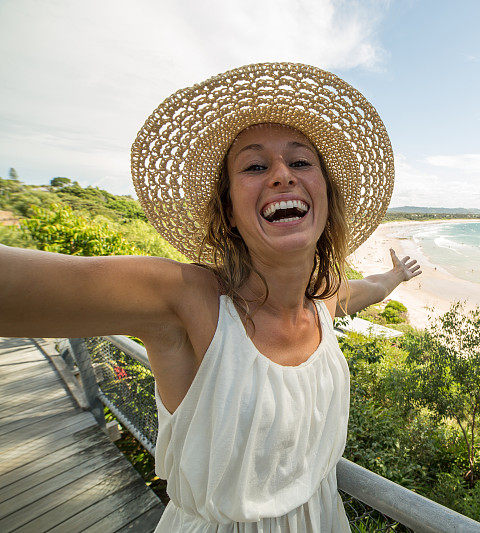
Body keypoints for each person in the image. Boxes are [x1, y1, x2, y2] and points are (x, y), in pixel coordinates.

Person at [0, 62, 421, 531]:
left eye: (301, 162)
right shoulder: (186, 300)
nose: (282, 175)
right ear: (229, 209)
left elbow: (371, 289)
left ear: (326, 194)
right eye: (256, 166)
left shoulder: (324, 302)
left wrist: (397, 274)